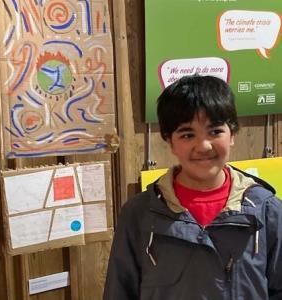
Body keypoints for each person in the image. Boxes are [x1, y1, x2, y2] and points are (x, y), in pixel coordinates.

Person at [103, 75, 282, 300]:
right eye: (187, 134)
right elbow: (119, 292)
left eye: (215, 132)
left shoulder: (267, 210)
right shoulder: (139, 214)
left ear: (233, 134)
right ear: (170, 142)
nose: (204, 146)